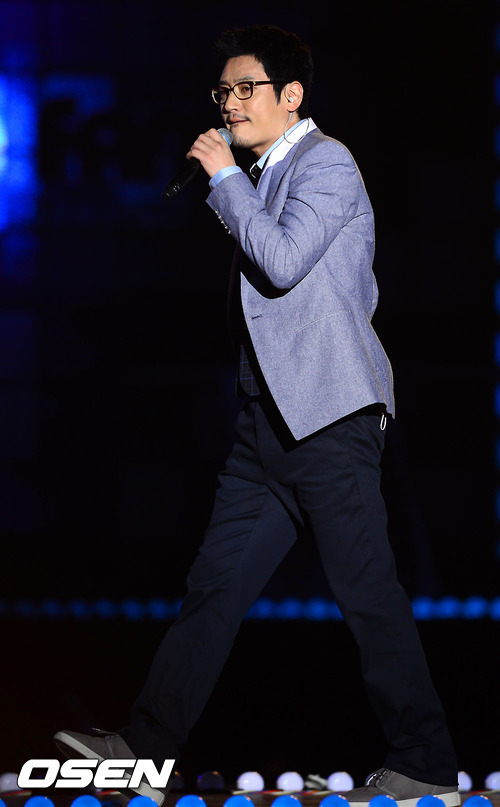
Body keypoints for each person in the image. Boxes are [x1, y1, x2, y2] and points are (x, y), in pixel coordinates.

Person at [55, 25, 459, 807]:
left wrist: (221, 179)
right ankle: (146, 750)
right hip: (265, 427)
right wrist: (231, 183)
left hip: (330, 416)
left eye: (246, 89)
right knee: (213, 586)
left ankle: (427, 762)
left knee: (366, 591)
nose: (230, 104)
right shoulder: (263, 175)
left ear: (291, 95)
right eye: (224, 91)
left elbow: (281, 261)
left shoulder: (326, 162)